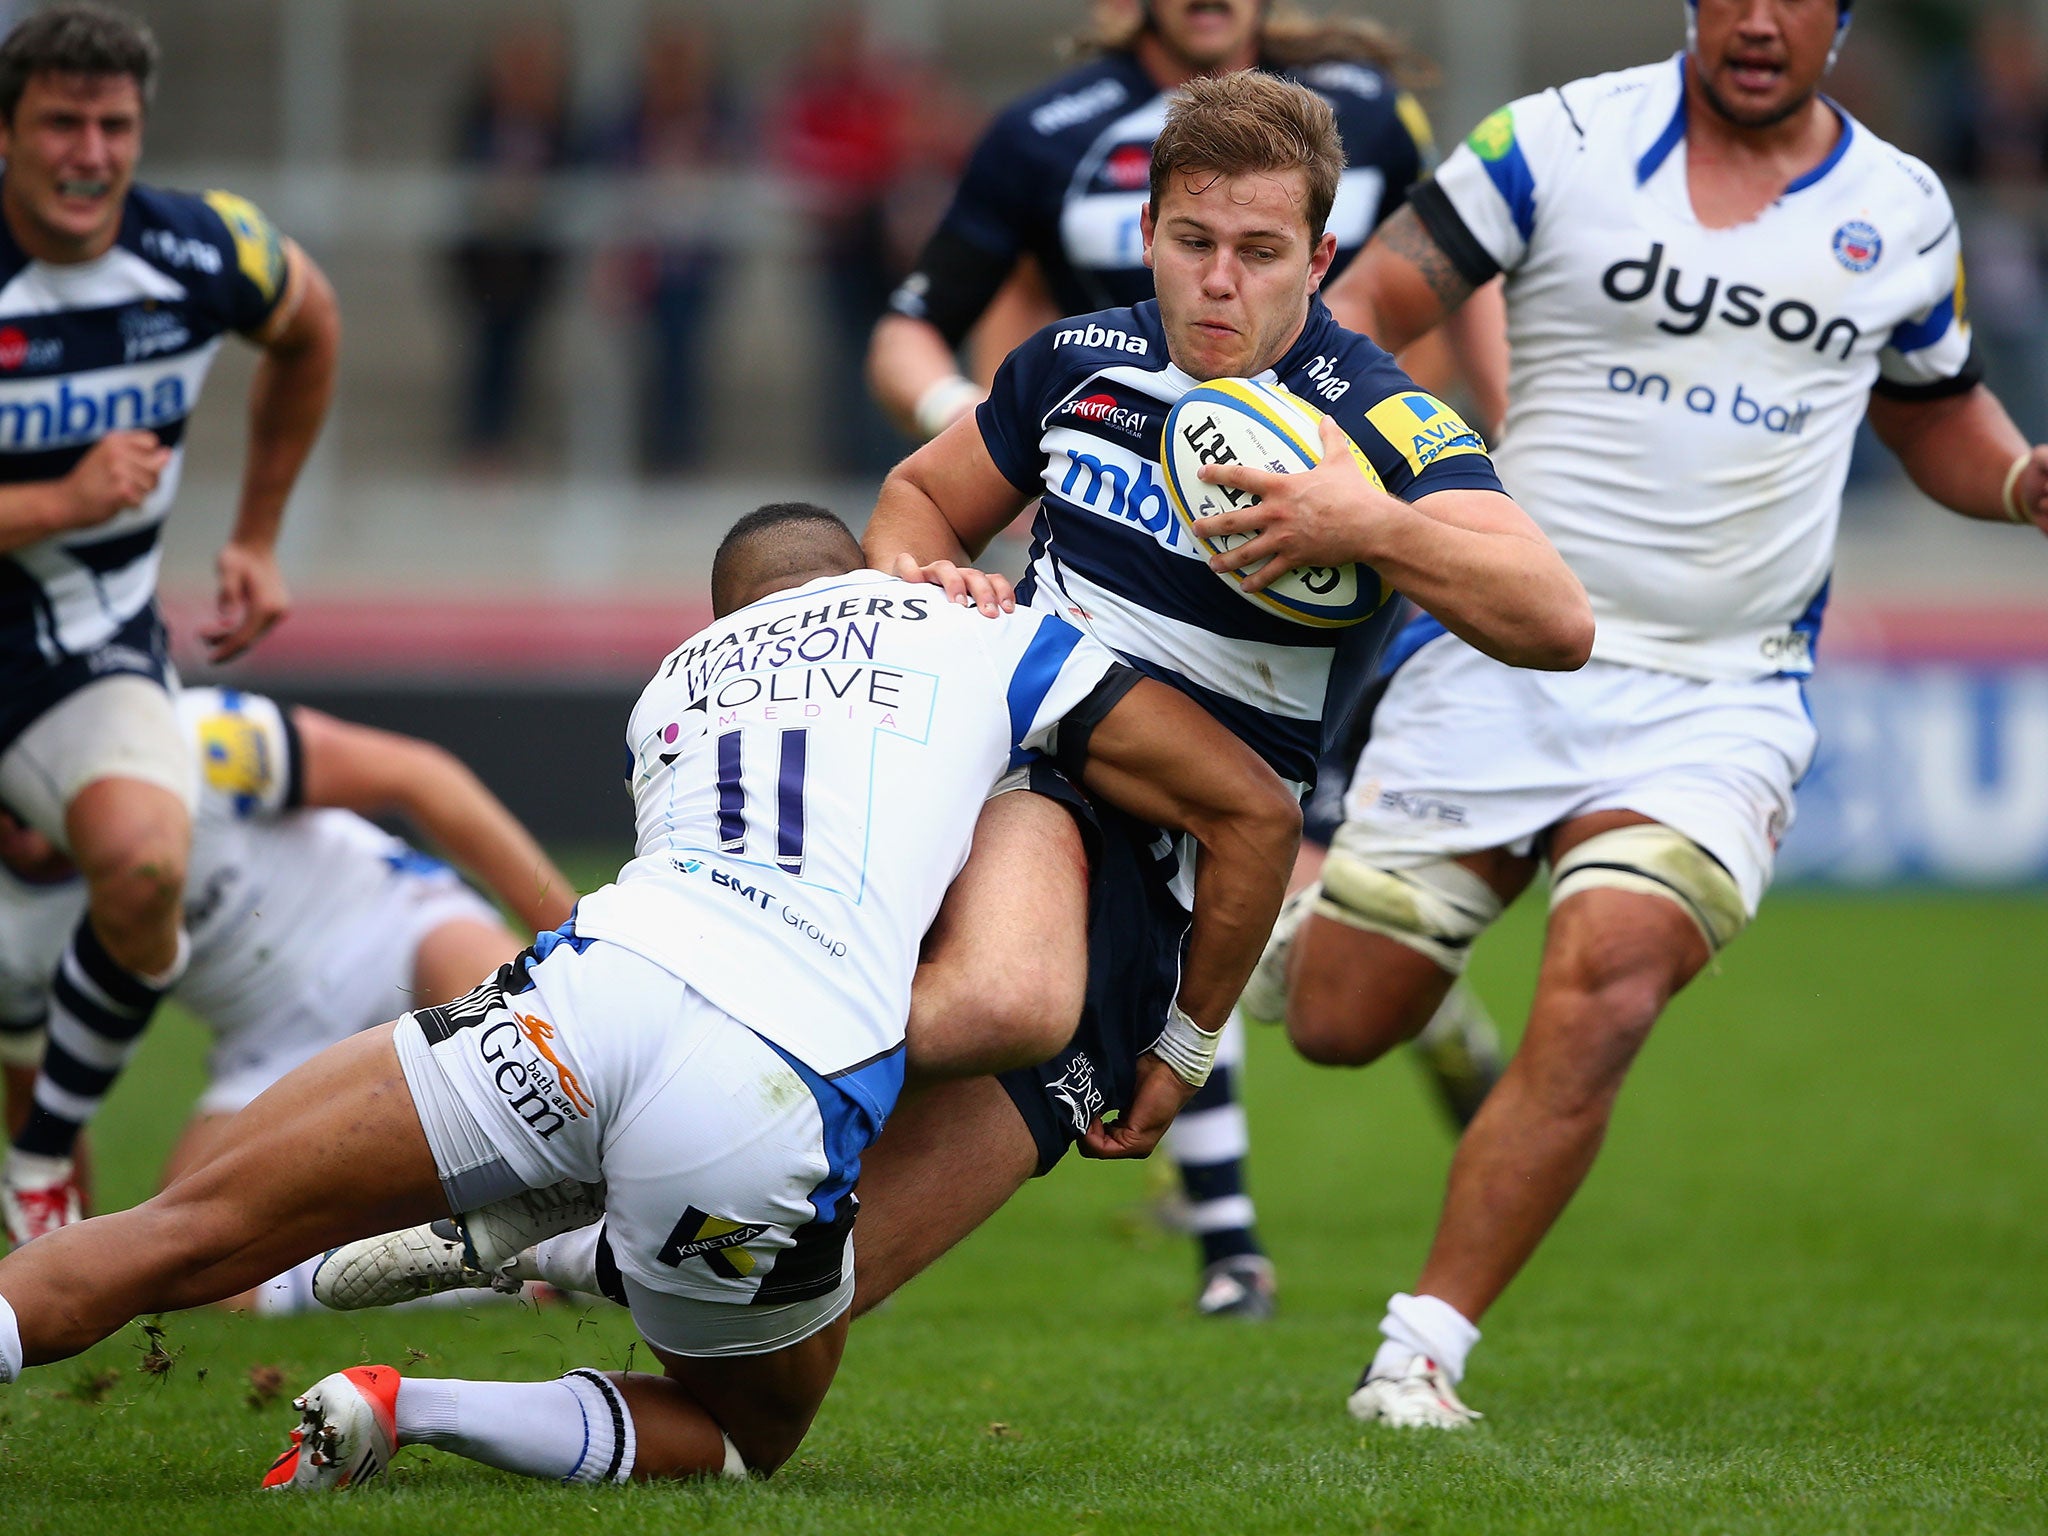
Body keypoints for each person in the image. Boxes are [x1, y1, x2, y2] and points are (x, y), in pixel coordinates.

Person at [0, 504, 1303, 1491]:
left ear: (717, 617)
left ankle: (564, 1209)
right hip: (755, 1095)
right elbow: (1245, 804)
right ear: (869, 574)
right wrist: (1181, 1040)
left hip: (577, 1000)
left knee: (179, 1232)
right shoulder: (970, 631)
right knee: (746, 1432)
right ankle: (539, 1283)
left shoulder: (669, 689)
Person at [1250, 0, 2048, 1428]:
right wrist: (1379, 481)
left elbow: (1934, 406)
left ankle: (1419, 1353)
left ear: (1840, 19)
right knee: (1341, 1024)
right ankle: (1326, 948)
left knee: (1610, 975)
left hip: (1721, 691)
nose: (1757, 20)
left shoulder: (1902, 209)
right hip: (1501, 649)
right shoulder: (1548, 142)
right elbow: (1367, 304)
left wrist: (2016, 481)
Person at [867, 0, 1513, 1321]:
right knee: (1022, 996)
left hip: (1290, 688)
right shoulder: (1061, 269)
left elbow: (1464, 305)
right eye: (1194, 241)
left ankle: (1239, 1181)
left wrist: (1406, 512)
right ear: (1151, 234)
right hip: (1056, 753)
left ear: (1316, 255)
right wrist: (961, 504)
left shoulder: (1373, 192)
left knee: (1249, 896)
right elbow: (917, 421)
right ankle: (1232, 1243)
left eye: (1262, 251)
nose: (1222, 277)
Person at [0, 4, 340, 1243]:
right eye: (60, 124)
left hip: (81, 654)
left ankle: (38, 1156)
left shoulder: (204, 251)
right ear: (7, 134)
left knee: (148, 866)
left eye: (113, 125)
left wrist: (254, 534)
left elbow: (310, 327)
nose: (89, 152)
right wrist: (58, 499)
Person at [0, 687, 574, 1303]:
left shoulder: (192, 741)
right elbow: (41, 1115)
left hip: (402, 930)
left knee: (551, 1053)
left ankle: (617, 1227)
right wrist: (57, 1258)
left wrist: (582, 937)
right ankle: (543, 1281)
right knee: (196, 1264)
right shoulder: (8, 933)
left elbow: (420, 776)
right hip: (271, 1049)